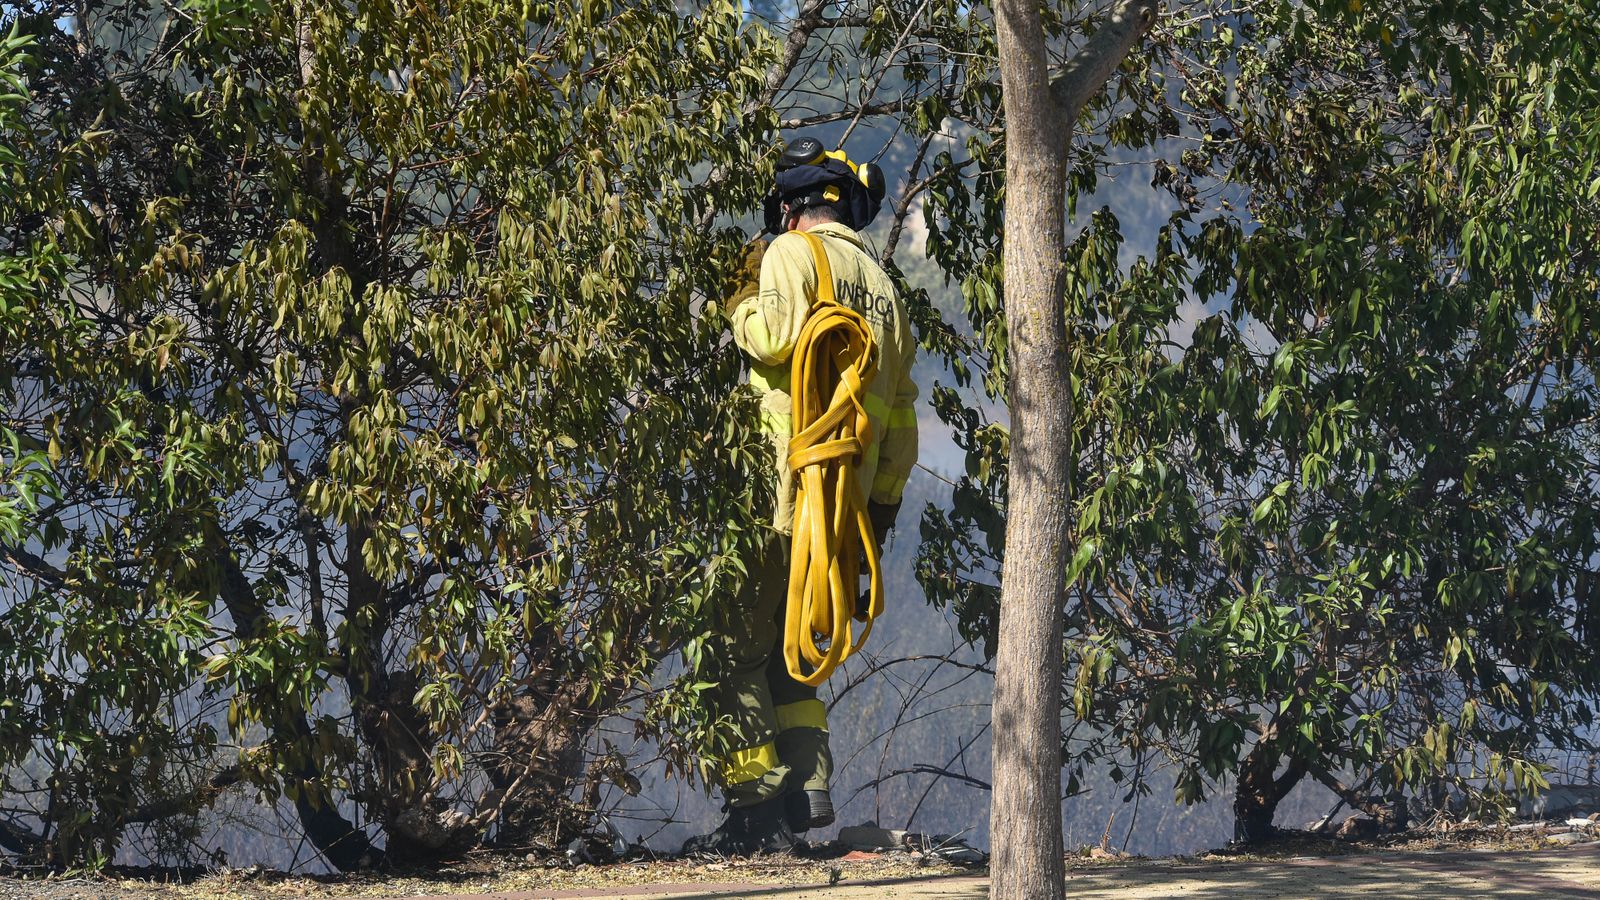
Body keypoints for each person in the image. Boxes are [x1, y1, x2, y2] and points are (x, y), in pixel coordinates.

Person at [685, 138, 919, 855]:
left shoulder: (792, 256)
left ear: (791, 210)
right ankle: (807, 791)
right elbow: (902, 424)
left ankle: (752, 813)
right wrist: (874, 520)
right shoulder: (884, 289)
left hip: (778, 493)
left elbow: (773, 337)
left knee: (729, 651)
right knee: (794, 656)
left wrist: (739, 297)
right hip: (841, 515)